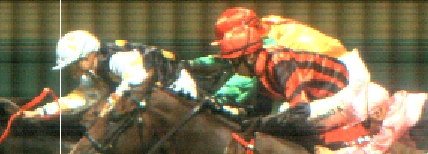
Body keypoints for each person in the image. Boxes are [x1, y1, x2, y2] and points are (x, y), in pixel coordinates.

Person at [196, 8, 369, 122]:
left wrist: (217, 100)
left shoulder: (277, 54)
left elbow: (246, 84)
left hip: (348, 80)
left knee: (285, 113)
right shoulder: (264, 29)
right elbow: (226, 63)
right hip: (333, 70)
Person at [25, 31, 198, 119]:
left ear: (87, 56)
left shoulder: (116, 60)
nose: (71, 70)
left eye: (73, 64)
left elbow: (136, 81)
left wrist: (109, 105)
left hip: (177, 88)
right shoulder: (93, 73)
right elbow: (79, 100)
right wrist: (39, 112)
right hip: (155, 95)